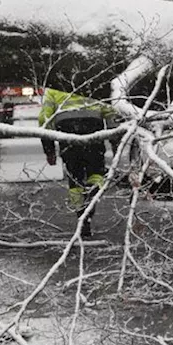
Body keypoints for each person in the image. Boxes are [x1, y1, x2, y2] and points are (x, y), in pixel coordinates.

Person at [37, 89, 116, 237]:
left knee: (74, 178)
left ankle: (82, 218)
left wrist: (49, 150)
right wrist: (115, 141)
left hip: (66, 131)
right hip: (93, 129)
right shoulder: (94, 83)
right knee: (96, 171)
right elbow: (111, 112)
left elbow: (45, 119)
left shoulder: (53, 89)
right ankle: (92, 192)